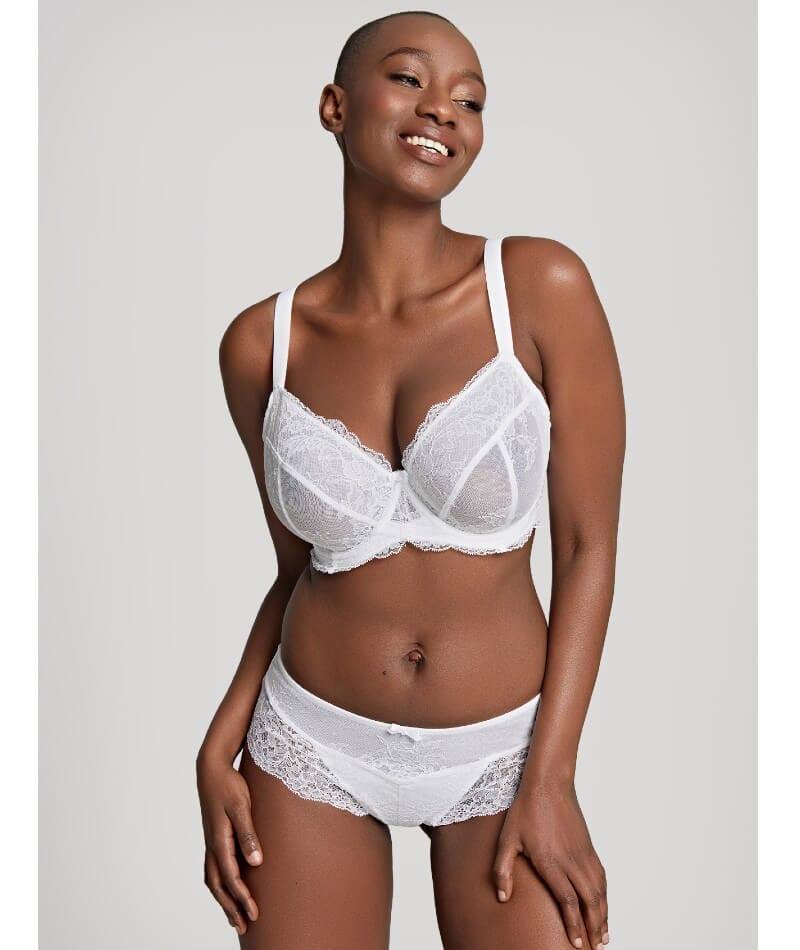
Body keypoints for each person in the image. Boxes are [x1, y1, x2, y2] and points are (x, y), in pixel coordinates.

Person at [196, 10, 626, 950]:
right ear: (334, 106)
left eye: (471, 100)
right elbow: (299, 570)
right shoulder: (261, 344)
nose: (443, 110)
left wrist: (551, 777)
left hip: (503, 755)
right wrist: (219, 739)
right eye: (408, 79)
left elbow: (588, 546)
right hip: (307, 746)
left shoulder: (538, 286)